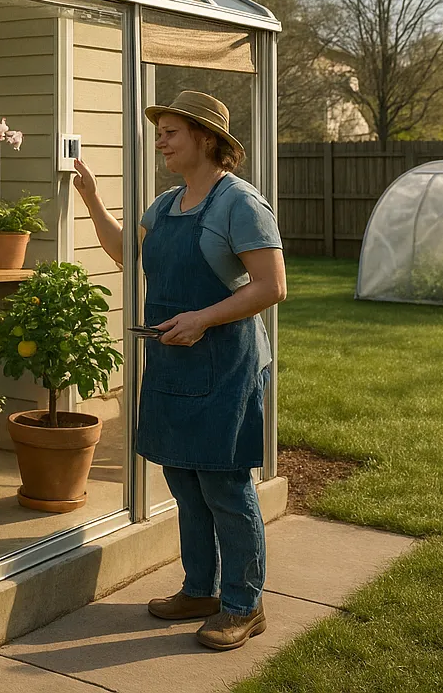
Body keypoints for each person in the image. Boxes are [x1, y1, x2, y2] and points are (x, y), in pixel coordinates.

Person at [72, 89, 286, 652]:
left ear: (205, 139)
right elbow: (127, 255)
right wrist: (91, 199)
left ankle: (245, 604)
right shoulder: (165, 207)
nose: (161, 141)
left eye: (171, 132)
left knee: (224, 485)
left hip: (225, 365)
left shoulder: (239, 203)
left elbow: (272, 285)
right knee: (184, 483)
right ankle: (199, 590)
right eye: (160, 131)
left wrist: (204, 320)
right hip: (172, 362)